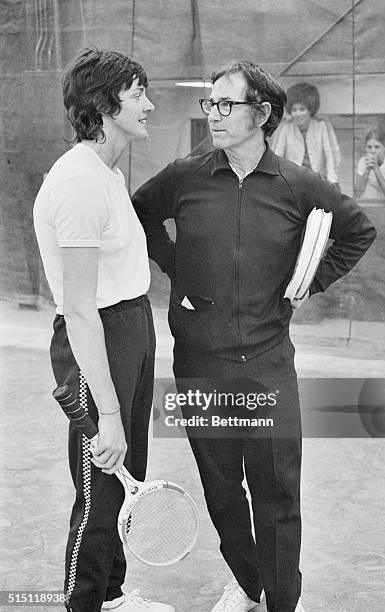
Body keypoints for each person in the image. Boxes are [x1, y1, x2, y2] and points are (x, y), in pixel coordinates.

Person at [132, 60, 376, 612]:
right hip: (200, 359)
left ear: (262, 114)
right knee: (221, 489)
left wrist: (306, 284)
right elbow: (139, 211)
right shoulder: (187, 175)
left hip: (267, 362)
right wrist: (177, 267)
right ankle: (247, 584)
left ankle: (282, 600)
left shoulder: (297, 184)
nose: (214, 115)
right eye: (210, 104)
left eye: (226, 105)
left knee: (277, 492)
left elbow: (358, 230)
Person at [33, 49, 174, 612]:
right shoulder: (78, 184)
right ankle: (83, 602)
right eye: (139, 94)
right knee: (99, 485)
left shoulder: (107, 174)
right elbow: (81, 309)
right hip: (98, 336)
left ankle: (110, 596)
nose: (150, 104)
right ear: (105, 103)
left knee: (128, 472)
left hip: (131, 327)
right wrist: (107, 415)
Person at [272, 82, 340, 187]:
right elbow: (277, 156)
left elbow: (330, 155)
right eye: (294, 110)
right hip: (293, 181)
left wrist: (332, 181)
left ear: (310, 110)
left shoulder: (321, 126)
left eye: (302, 109)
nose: (298, 114)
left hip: (318, 181)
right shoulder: (286, 128)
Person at [355, 128, 385, 200]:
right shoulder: (363, 161)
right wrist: (367, 170)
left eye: (377, 147)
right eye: (369, 147)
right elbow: (358, 193)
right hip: (381, 198)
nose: (373, 151)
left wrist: (376, 169)